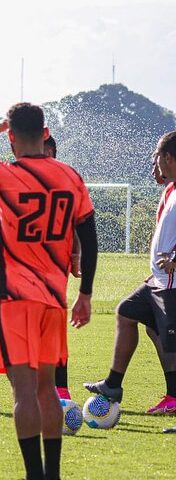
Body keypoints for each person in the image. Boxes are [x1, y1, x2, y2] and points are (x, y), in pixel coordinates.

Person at [0, 103, 98, 480]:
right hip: (53, 300)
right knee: (48, 389)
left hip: (13, 301)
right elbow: (90, 240)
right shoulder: (69, 177)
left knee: (23, 392)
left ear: (10, 136)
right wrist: (86, 293)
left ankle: (33, 475)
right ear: (45, 133)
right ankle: (53, 474)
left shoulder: (3, 174)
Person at [84, 130, 176, 415]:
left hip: (172, 282)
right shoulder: (171, 189)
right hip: (159, 280)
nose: (155, 162)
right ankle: (113, 384)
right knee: (127, 312)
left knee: (169, 339)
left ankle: (174, 397)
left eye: (157, 156)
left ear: (169, 157)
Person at [44, 135, 82, 400]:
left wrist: (77, 253)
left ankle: (61, 390)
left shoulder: (64, 182)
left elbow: (77, 222)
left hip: (53, 269)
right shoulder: (21, 180)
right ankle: (44, 391)